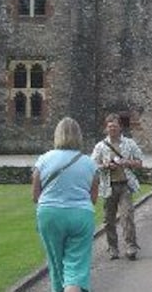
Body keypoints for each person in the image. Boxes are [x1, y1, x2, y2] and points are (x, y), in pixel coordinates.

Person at [32, 117, 100, 292]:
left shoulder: (43, 160)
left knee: (55, 263)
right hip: (80, 214)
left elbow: (36, 195)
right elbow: (93, 197)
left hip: (49, 213)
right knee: (76, 265)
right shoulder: (89, 163)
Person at [91, 114, 144, 260]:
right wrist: (106, 165)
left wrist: (127, 162)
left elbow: (140, 162)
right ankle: (113, 248)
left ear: (120, 127)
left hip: (125, 185)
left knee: (127, 216)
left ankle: (131, 246)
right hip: (108, 186)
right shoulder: (100, 146)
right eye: (109, 126)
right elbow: (92, 166)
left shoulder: (129, 144)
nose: (112, 129)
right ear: (106, 128)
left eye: (115, 126)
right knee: (109, 220)